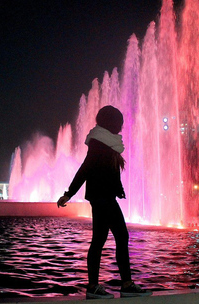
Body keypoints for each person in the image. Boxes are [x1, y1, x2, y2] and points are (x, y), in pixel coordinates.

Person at [57, 105, 150, 299]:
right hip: (102, 197)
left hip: (104, 196)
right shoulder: (99, 142)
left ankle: (97, 286)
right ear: (112, 122)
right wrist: (69, 193)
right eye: (119, 122)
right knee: (120, 237)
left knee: (100, 240)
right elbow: (86, 168)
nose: (122, 126)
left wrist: (119, 189)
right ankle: (124, 284)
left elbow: (106, 170)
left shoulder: (106, 142)